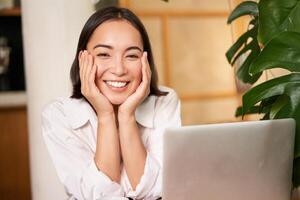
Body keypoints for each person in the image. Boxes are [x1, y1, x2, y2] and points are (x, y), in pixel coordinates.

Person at [41, 6, 181, 200]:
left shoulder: (164, 101)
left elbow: (156, 191)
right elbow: (98, 196)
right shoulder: (58, 114)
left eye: (131, 55)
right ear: (83, 60)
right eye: (104, 54)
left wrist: (126, 116)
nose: (119, 69)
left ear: (145, 62)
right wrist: (105, 115)